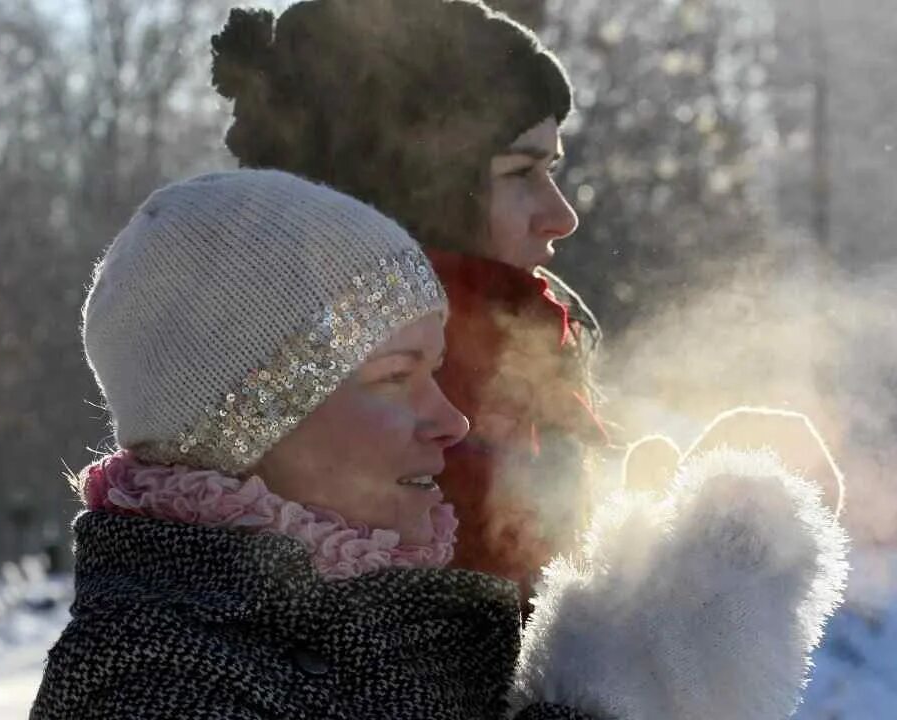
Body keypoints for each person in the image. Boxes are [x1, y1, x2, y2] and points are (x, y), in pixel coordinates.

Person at [30, 169, 850, 720]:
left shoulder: (380, 622)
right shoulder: (152, 683)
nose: (450, 420)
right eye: (396, 377)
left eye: (437, 369)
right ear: (249, 417)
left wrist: (672, 607)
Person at [210, 0, 606, 591]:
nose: (562, 216)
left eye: (553, 170)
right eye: (521, 173)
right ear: (429, 188)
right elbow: (486, 663)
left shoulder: (517, 349)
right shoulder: (388, 409)